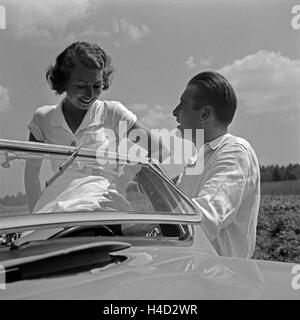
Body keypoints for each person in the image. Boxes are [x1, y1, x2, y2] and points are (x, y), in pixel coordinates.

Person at [24, 41, 168, 213]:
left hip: (102, 203)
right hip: (57, 205)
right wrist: (34, 217)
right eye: (81, 86)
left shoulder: (112, 112)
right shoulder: (43, 118)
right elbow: (32, 175)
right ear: (63, 82)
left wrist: (123, 180)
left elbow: (159, 150)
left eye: (96, 86)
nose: (90, 94)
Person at [172, 71, 260, 258]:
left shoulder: (235, 152)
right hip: (197, 278)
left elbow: (202, 221)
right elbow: (176, 211)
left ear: (204, 113)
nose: (174, 112)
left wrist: (140, 226)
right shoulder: (199, 159)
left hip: (223, 283)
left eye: (182, 105)